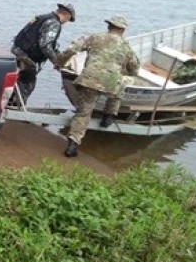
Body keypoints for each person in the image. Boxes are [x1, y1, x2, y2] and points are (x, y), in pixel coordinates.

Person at [55, 15, 140, 157]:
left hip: (89, 80)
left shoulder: (95, 38)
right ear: (123, 30)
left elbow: (72, 49)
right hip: (110, 83)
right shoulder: (126, 48)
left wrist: (59, 62)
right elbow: (135, 69)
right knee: (119, 89)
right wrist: (123, 69)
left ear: (108, 26)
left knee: (83, 112)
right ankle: (109, 115)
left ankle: (72, 145)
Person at [9, 2, 76, 105]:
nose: (66, 22)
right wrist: (56, 62)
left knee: (15, 79)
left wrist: (61, 57)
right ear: (66, 15)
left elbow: (49, 44)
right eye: (68, 19)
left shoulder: (41, 17)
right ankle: (16, 106)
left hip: (16, 50)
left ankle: (8, 101)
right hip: (26, 57)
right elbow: (45, 45)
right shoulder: (54, 23)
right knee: (28, 83)